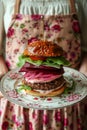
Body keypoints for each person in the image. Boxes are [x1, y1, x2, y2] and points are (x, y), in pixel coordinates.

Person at [0, 0, 87, 130]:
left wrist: (84, 77)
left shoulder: (81, 2)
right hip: (17, 103)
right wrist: (3, 79)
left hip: (69, 103)